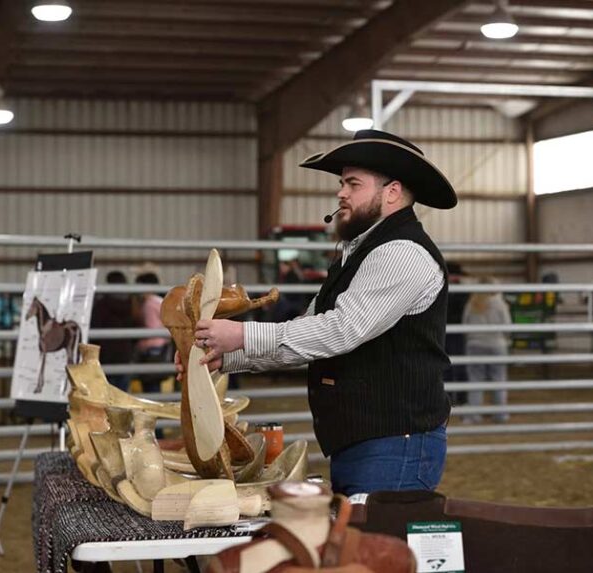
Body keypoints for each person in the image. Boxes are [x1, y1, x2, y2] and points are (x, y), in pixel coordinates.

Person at [182, 129, 458, 497]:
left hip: (394, 445)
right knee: (358, 546)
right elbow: (307, 333)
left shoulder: (402, 253)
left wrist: (243, 335)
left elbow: (341, 330)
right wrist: (223, 357)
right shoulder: (359, 253)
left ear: (391, 192)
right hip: (370, 443)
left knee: (372, 548)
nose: (341, 192)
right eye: (343, 183)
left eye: (353, 184)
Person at [462, 278, 512, 424]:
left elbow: (465, 324)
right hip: (497, 345)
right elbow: (508, 326)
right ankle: (500, 414)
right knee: (499, 379)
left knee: (475, 380)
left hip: (474, 345)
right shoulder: (500, 304)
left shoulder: (471, 304)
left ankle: (473, 415)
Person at [89, 270, 136, 392]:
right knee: (123, 397)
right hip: (125, 355)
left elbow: (95, 329)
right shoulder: (131, 303)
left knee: (106, 396)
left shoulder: (101, 305)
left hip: (106, 356)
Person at [133, 270, 171, 395]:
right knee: (156, 384)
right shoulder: (160, 301)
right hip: (162, 346)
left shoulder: (148, 304)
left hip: (151, 348)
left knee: (150, 386)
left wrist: (139, 345)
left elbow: (151, 329)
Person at [444, 262, 469, 405]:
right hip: (456, 333)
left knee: (449, 366)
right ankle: (460, 397)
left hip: (446, 332)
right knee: (458, 365)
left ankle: (451, 397)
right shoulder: (463, 292)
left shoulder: (442, 290)